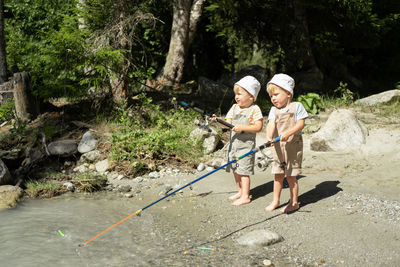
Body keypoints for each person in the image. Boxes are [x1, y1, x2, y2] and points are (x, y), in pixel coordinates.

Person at [211, 76, 263, 206]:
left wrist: (243, 128)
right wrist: (218, 121)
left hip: (246, 146)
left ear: (251, 96)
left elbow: (258, 127)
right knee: (235, 169)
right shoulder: (234, 107)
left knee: (243, 171)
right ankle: (240, 191)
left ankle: (246, 196)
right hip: (233, 145)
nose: (236, 97)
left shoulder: (254, 109)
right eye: (236, 94)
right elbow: (227, 124)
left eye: (240, 93)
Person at [264, 73, 308, 213]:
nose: (273, 98)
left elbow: (301, 124)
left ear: (288, 93)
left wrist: (288, 133)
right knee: (277, 175)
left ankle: (294, 202)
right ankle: (275, 200)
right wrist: (268, 137)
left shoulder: (297, 106)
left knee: (291, 176)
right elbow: (271, 124)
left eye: (276, 94)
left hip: (292, 146)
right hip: (278, 148)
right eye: (271, 96)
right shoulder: (273, 110)